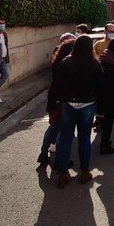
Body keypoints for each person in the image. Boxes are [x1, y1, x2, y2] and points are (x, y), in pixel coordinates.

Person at [51, 35, 105, 188]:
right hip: (88, 105)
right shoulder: (95, 64)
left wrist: (54, 104)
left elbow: (56, 85)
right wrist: (101, 111)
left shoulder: (66, 62)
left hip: (68, 104)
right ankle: (84, 172)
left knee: (65, 139)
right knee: (84, 139)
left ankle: (62, 174)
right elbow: (101, 88)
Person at [37, 34, 75, 170]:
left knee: (53, 127)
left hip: (54, 99)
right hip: (66, 101)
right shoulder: (70, 64)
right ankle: (60, 159)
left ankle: (43, 153)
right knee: (64, 132)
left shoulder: (57, 62)